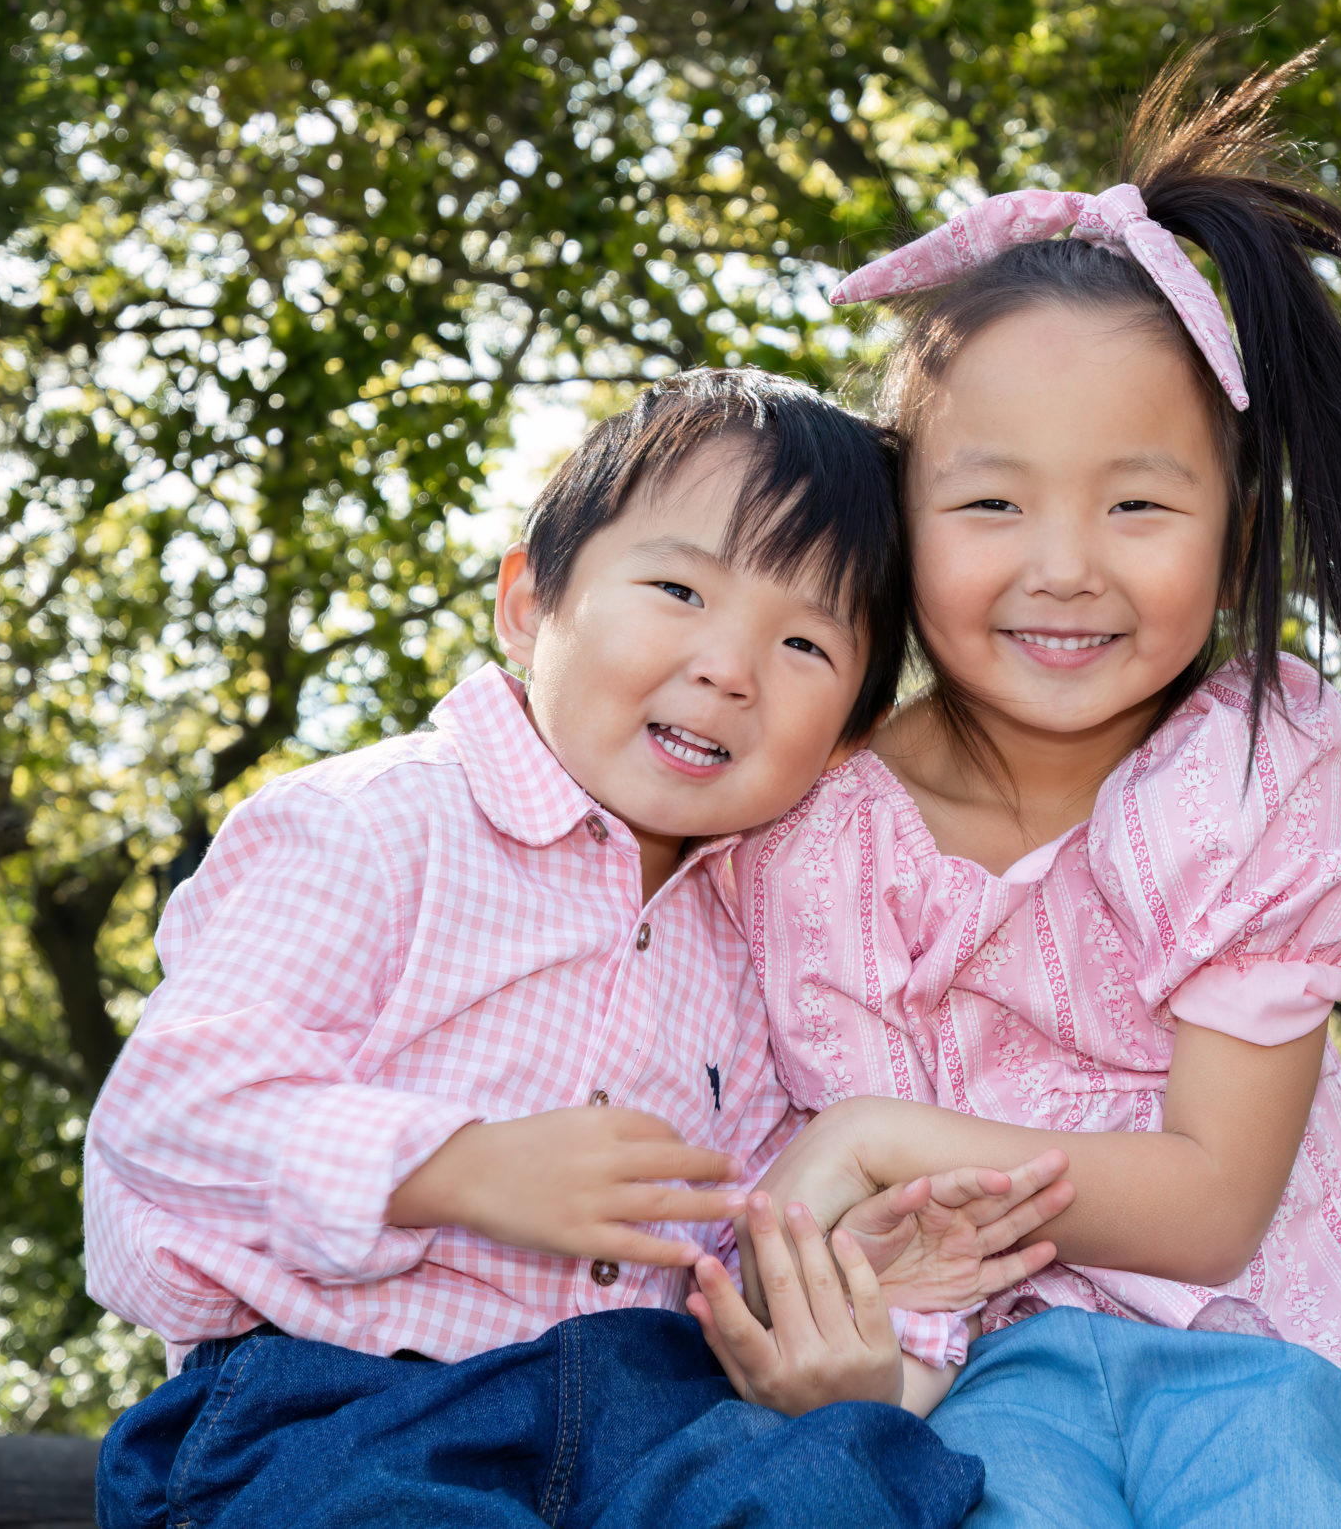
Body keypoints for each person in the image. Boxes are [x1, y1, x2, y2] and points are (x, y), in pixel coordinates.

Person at [715, 51, 1341, 1526]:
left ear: (1234, 522)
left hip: (1273, 1369)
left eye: (1138, 502)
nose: (1064, 564)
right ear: (905, 514)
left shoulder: (1249, 785)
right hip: (984, 1384)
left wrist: (884, 1133)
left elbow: (1207, 1206)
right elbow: (826, 1223)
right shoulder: (813, 829)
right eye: (992, 501)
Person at [83, 371, 1069, 1529]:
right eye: (676, 588)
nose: (729, 666)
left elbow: (734, 1231)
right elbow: (167, 1114)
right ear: (526, 603)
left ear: (847, 742)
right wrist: (449, 1169)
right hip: (338, 1405)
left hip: (638, 1422)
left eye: (804, 642)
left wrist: (857, 1302)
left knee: (860, 1480)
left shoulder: (758, 948)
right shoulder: (378, 826)